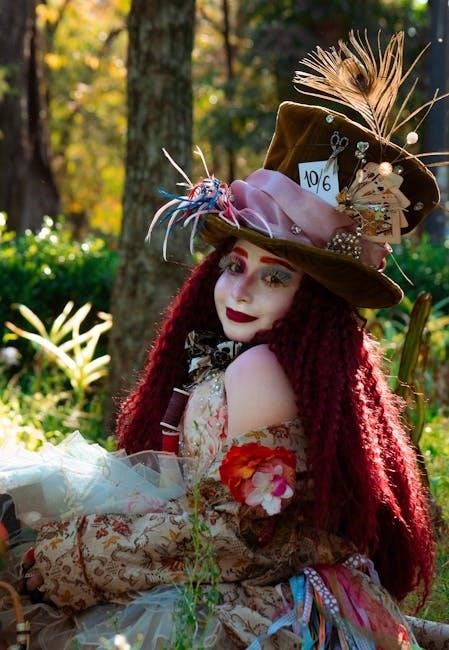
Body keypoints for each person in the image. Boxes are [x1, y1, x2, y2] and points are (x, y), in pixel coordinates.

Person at [1, 30, 449, 649]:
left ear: (313, 300)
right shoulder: (267, 362)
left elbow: (234, 536)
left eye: (275, 276)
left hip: (255, 599)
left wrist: (65, 558)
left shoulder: (259, 369)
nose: (240, 291)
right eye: (234, 265)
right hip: (247, 568)